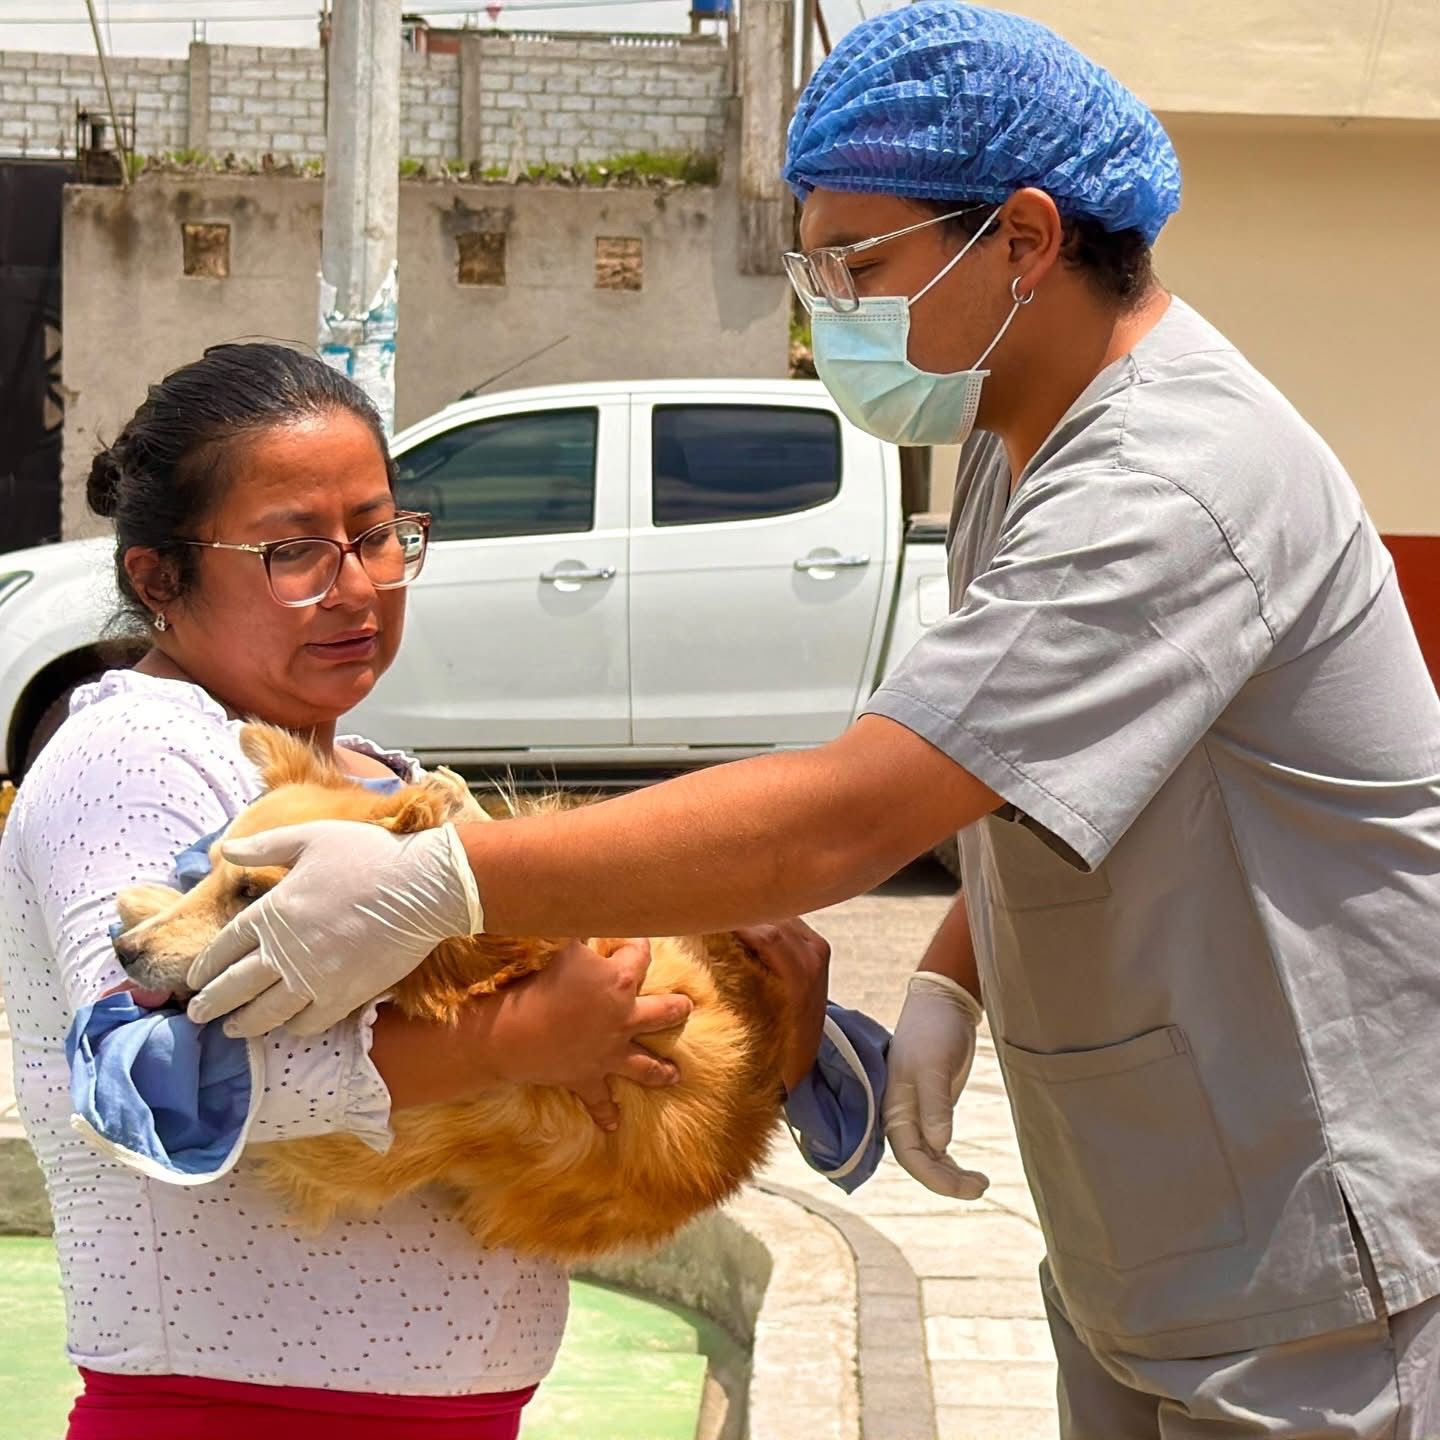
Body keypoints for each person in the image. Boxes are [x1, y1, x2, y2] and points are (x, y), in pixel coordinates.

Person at [184, 6, 1440, 1432]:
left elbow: (858, 813)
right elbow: (1023, 765)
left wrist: (437, 881)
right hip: (1162, 1216)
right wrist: (956, 974)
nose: (828, 309)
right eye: (816, 267)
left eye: (860, 266)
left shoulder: (1171, 483)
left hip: (1308, 1228)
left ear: (1024, 240)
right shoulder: (1021, 438)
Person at [0, 343, 840, 1439]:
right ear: (160, 578)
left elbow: (594, 1063)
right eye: (294, 551)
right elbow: (139, 1077)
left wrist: (774, 1028)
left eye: (377, 535)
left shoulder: (387, 783)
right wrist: (517, 1040)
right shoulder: (133, 754)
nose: (356, 587)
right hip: (223, 1411)